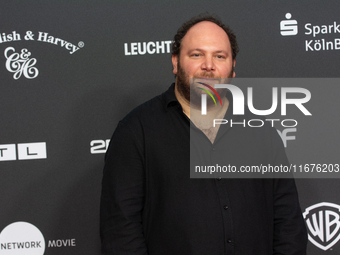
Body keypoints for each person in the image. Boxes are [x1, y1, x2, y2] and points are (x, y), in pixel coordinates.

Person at [100, 14, 307, 255]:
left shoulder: (262, 133)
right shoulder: (137, 132)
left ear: (232, 68)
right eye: (197, 54)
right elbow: (120, 232)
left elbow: (288, 223)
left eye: (219, 56)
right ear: (176, 62)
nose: (209, 65)